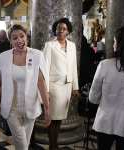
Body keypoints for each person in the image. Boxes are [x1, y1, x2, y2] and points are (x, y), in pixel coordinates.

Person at [0, 24, 50, 150]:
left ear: (26, 37)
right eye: (14, 38)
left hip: (30, 108)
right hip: (11, 109)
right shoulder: (4, 56)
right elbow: (0, 82)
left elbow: (41, 83)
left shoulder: (37, 55)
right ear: (10, 40)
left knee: (24, 143)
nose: (19, 40)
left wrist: (47, 108)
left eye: (22, 36)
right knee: (22, 145)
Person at [42, 18, 79, 150]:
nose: (60, 31)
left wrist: (75, 87)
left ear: (68, 31)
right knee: (53, 118)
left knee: (59, 119)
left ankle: (54, 144)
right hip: (54, 87)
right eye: (58, 28)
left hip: (67, 87)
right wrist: (45, 90)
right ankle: (53, 145)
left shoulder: (72, 46)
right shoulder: (49, 45)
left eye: (63, 29)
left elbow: (73, 67)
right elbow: (44, 69)